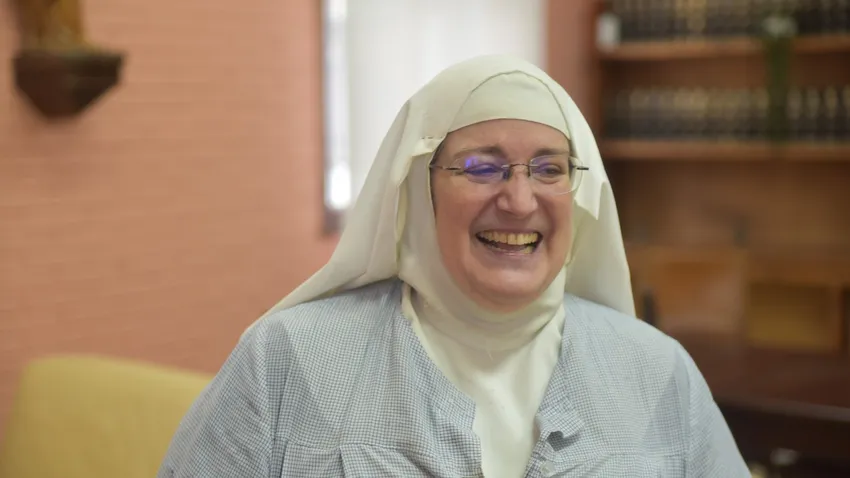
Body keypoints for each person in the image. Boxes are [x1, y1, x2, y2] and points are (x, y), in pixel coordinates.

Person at [157, 55, 750, 477]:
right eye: (481, 167)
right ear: (421, 189)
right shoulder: (288, 361)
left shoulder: (657, 372)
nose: (519, 201)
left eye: (549, 169)